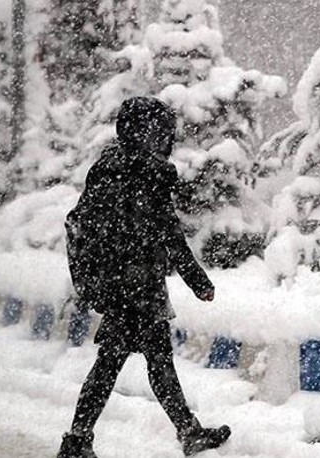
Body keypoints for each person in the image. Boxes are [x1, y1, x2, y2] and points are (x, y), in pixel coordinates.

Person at [58, 97, 231, 458]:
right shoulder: (146, 173)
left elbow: (89, 225)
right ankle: (79, 440)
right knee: (125, 362)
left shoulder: (107, 168)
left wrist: (98, 278)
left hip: (124, 284)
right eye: (162, 131)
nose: (166, 138)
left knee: (136, 360)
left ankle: (183, 431)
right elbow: (169, 233)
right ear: (146, 132)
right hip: (135, 286)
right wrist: (197, 281)